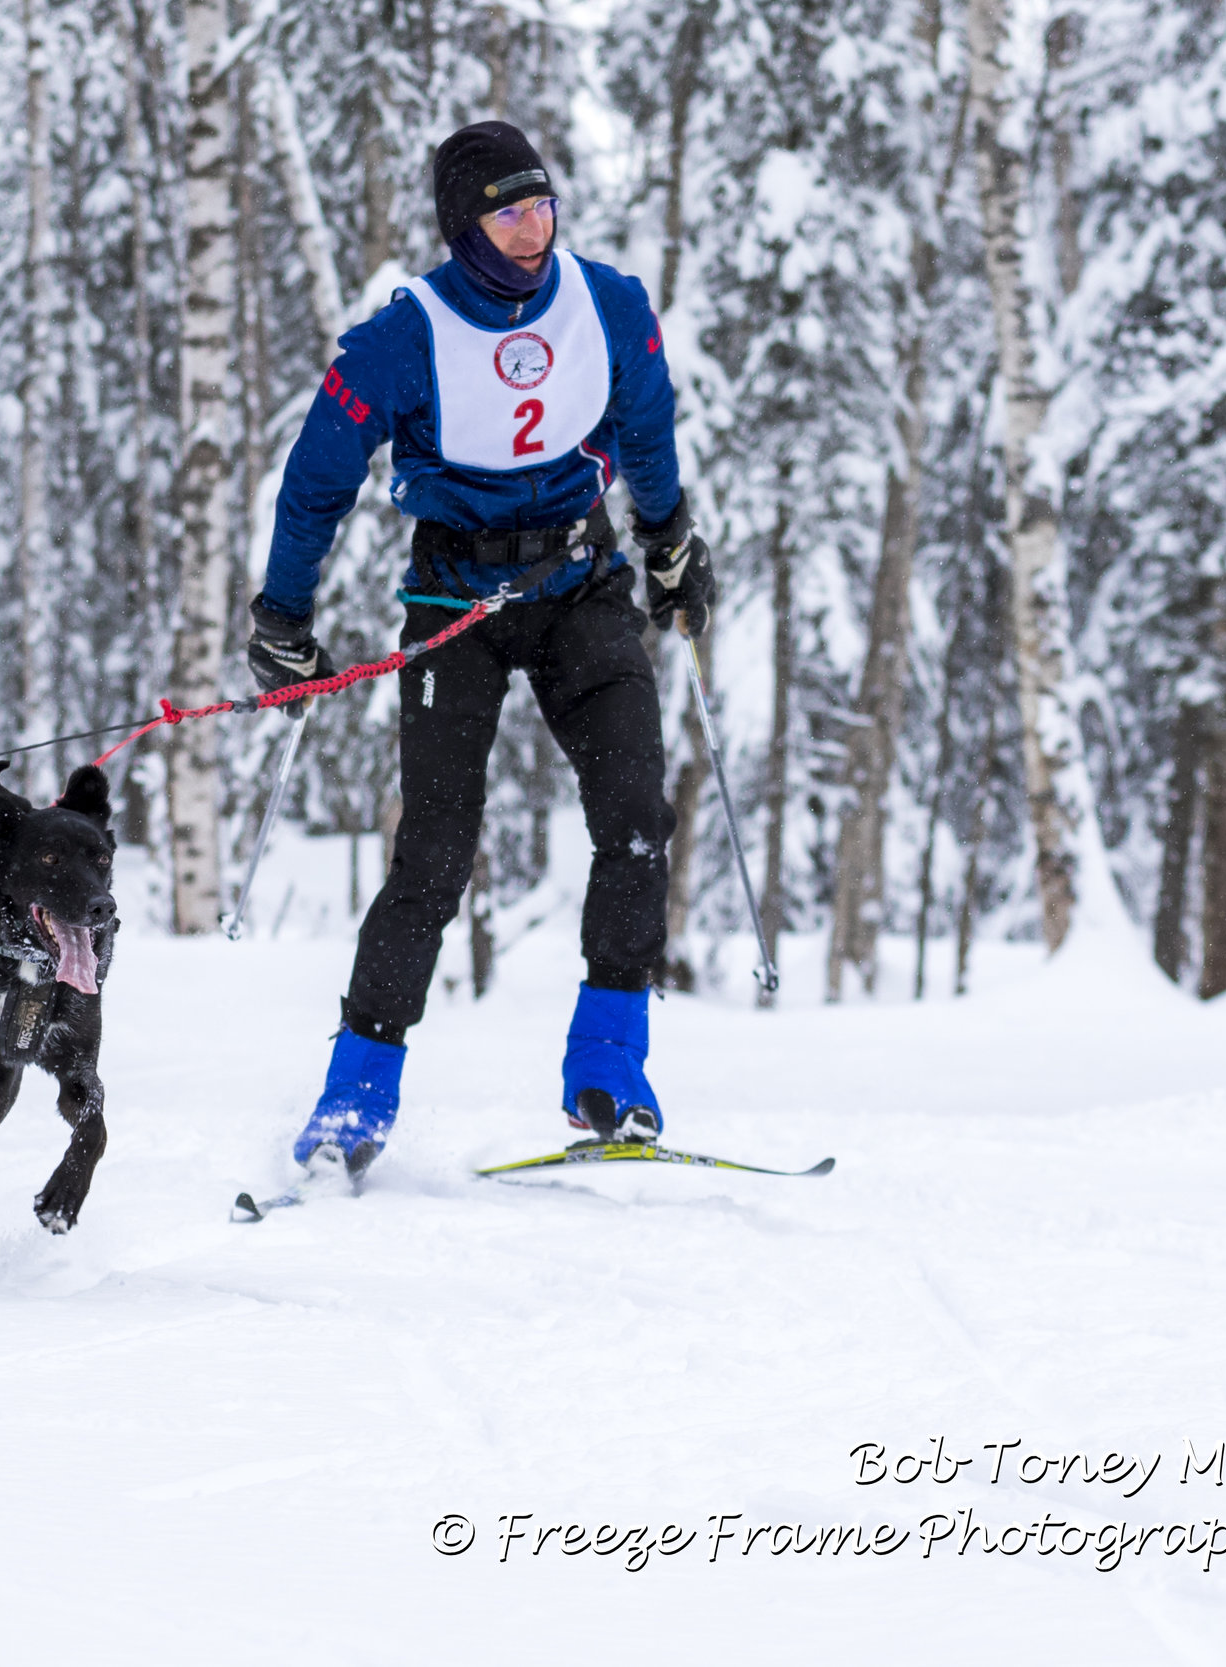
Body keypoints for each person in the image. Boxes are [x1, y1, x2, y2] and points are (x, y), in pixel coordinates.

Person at [246, 120, 714, 1180]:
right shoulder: (401, 337)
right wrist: (281, 613)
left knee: (636, 814)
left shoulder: (609, 305)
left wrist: (669, 535)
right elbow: (319, 474)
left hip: (578, 580)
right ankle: (351, 1102)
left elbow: (644, 422)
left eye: (543, 204)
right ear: (465, 226)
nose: (534, 229)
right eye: (509, 212)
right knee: (436, 850)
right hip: (452, 591)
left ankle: (609, 1072)